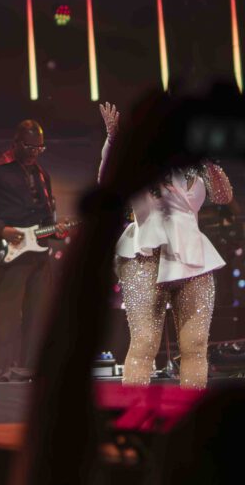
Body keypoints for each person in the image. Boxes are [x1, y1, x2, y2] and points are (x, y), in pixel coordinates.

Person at [98, 102, 232, 388]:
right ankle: (133, 410)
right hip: (145, 256)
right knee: (145, 342)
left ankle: (191, 410)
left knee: (195, 344)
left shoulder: (197, 165)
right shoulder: (139, 158)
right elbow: (108, 183)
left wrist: (210, 160)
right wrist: (114, 142)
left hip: (193, 257)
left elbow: (223, 197)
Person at [0, 120, 70, 380]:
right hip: (10, 252)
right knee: (6, 316)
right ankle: (3, 370)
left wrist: (56, 230)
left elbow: (45, 218)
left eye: (39, 148)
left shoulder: (43, 175)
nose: (35, 152)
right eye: (29, 147)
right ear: (16, 144)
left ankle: (30, 369)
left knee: (38, 315)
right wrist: (0, 230)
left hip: (38, 254)